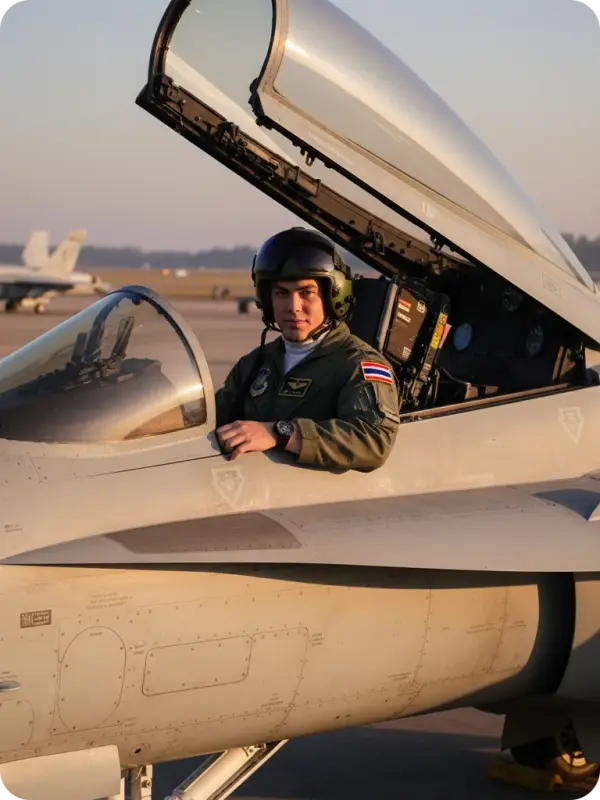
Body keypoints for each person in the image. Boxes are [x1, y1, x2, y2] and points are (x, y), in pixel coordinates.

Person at [215, 227, 400, 472]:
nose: (293, 307)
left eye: (306, 293)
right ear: (267, 300)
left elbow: (374, 440)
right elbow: (212, 418)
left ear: (332, 296)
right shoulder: (255, 364)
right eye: (281, 293)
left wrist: (280, 433)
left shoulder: (358, 364)